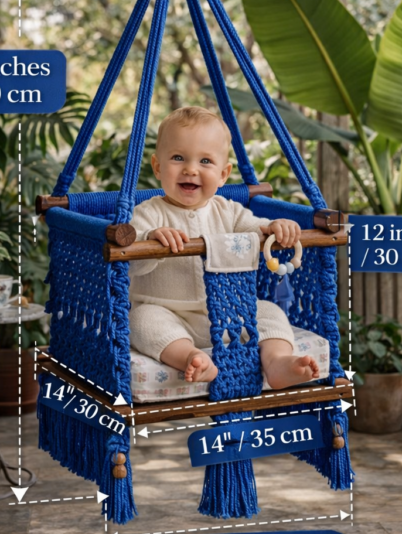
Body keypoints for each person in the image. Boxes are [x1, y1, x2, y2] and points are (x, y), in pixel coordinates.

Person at [129, 107, 320, 389]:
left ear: (223, 174)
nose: (190, 169)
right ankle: (191, 358)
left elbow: (255, 229)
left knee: (269, 312)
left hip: (230, 313)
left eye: (205, 161)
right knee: (140, 320)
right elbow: (130, 259)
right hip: (168, 314)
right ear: (158, 167)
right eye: (178, 158)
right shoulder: (148, 213)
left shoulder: (228, 211)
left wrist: (275, 227)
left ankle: (278, 362)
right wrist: (152, 239)